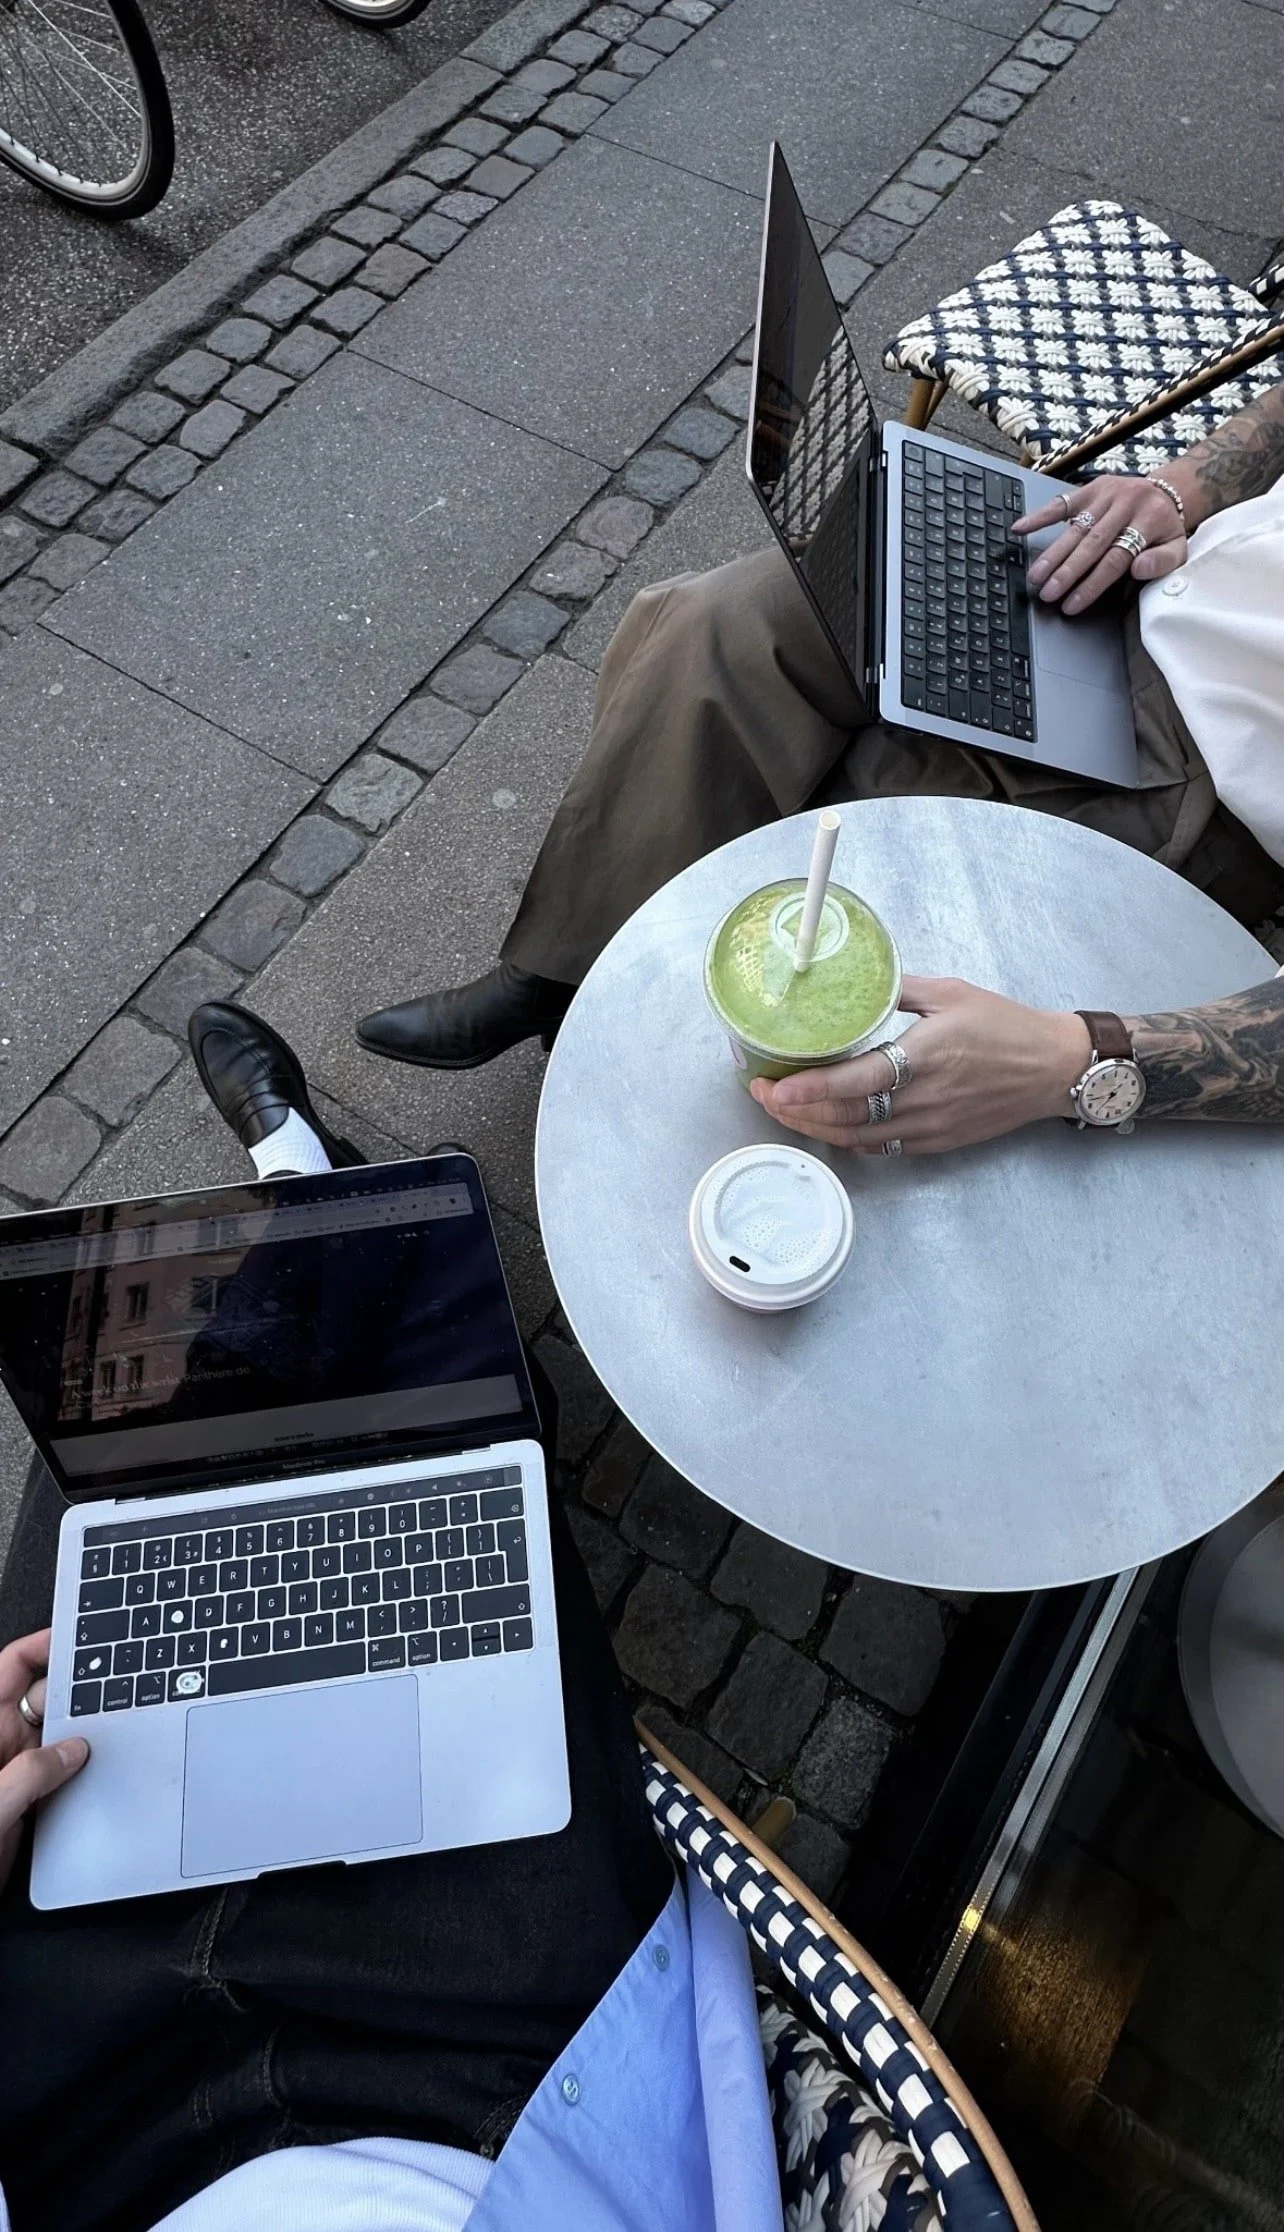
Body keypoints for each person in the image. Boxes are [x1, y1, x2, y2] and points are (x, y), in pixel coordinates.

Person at [0, 1005, 780, 2232]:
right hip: (496, 2079)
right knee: (452, 1445)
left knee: (144, 1467)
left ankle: (303, 1190)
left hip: (73, 2123)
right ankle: (333, 1210)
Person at [353, 382, 1284, 1157]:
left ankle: (677, 1086)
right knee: (724, 623)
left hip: (1227, 775)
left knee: (858, 840)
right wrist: (1183, 487)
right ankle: (563, 972)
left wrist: (1084, 1058)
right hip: (1139, 584)